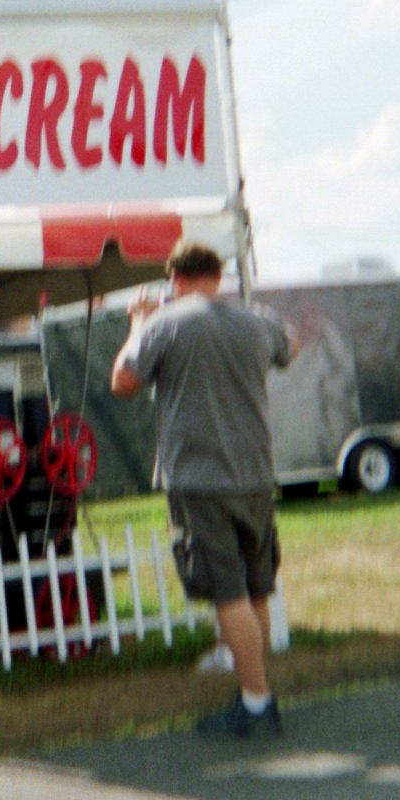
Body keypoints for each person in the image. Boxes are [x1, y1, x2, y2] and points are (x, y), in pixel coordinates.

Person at [111, 240, 296, 740]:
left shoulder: (167, 323)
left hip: (200, 477)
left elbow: (123, 380)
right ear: (218, 276)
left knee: (227, 591)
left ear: (176, 279)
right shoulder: (256, 320)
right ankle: (254, 688)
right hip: (255, 472)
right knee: (257, 586)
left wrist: (138, 324)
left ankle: (257, 704)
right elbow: (291, 347)